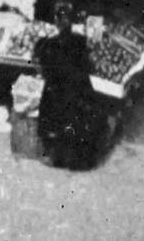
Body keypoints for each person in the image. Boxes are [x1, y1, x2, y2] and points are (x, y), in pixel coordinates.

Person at [34, 11, 105, 170]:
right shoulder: (80, 42)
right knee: (76, 124)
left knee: (57, 124)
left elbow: (44, 67)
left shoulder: (50, 45)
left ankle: (58, 157)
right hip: (76, 93)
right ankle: (78, 160)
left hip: (59, 95)